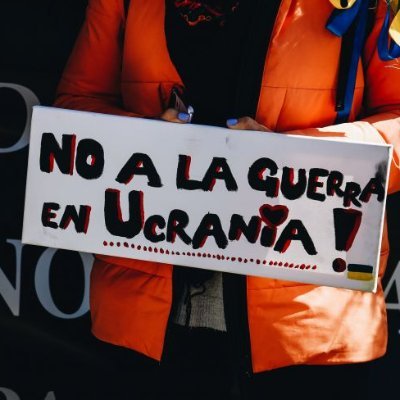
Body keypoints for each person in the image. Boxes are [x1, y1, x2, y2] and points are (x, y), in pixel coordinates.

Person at [54, 0, 400, 399]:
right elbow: (73, 107)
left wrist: (290, 159)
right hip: (145, 323)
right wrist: (145, 139)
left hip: (310, 330)